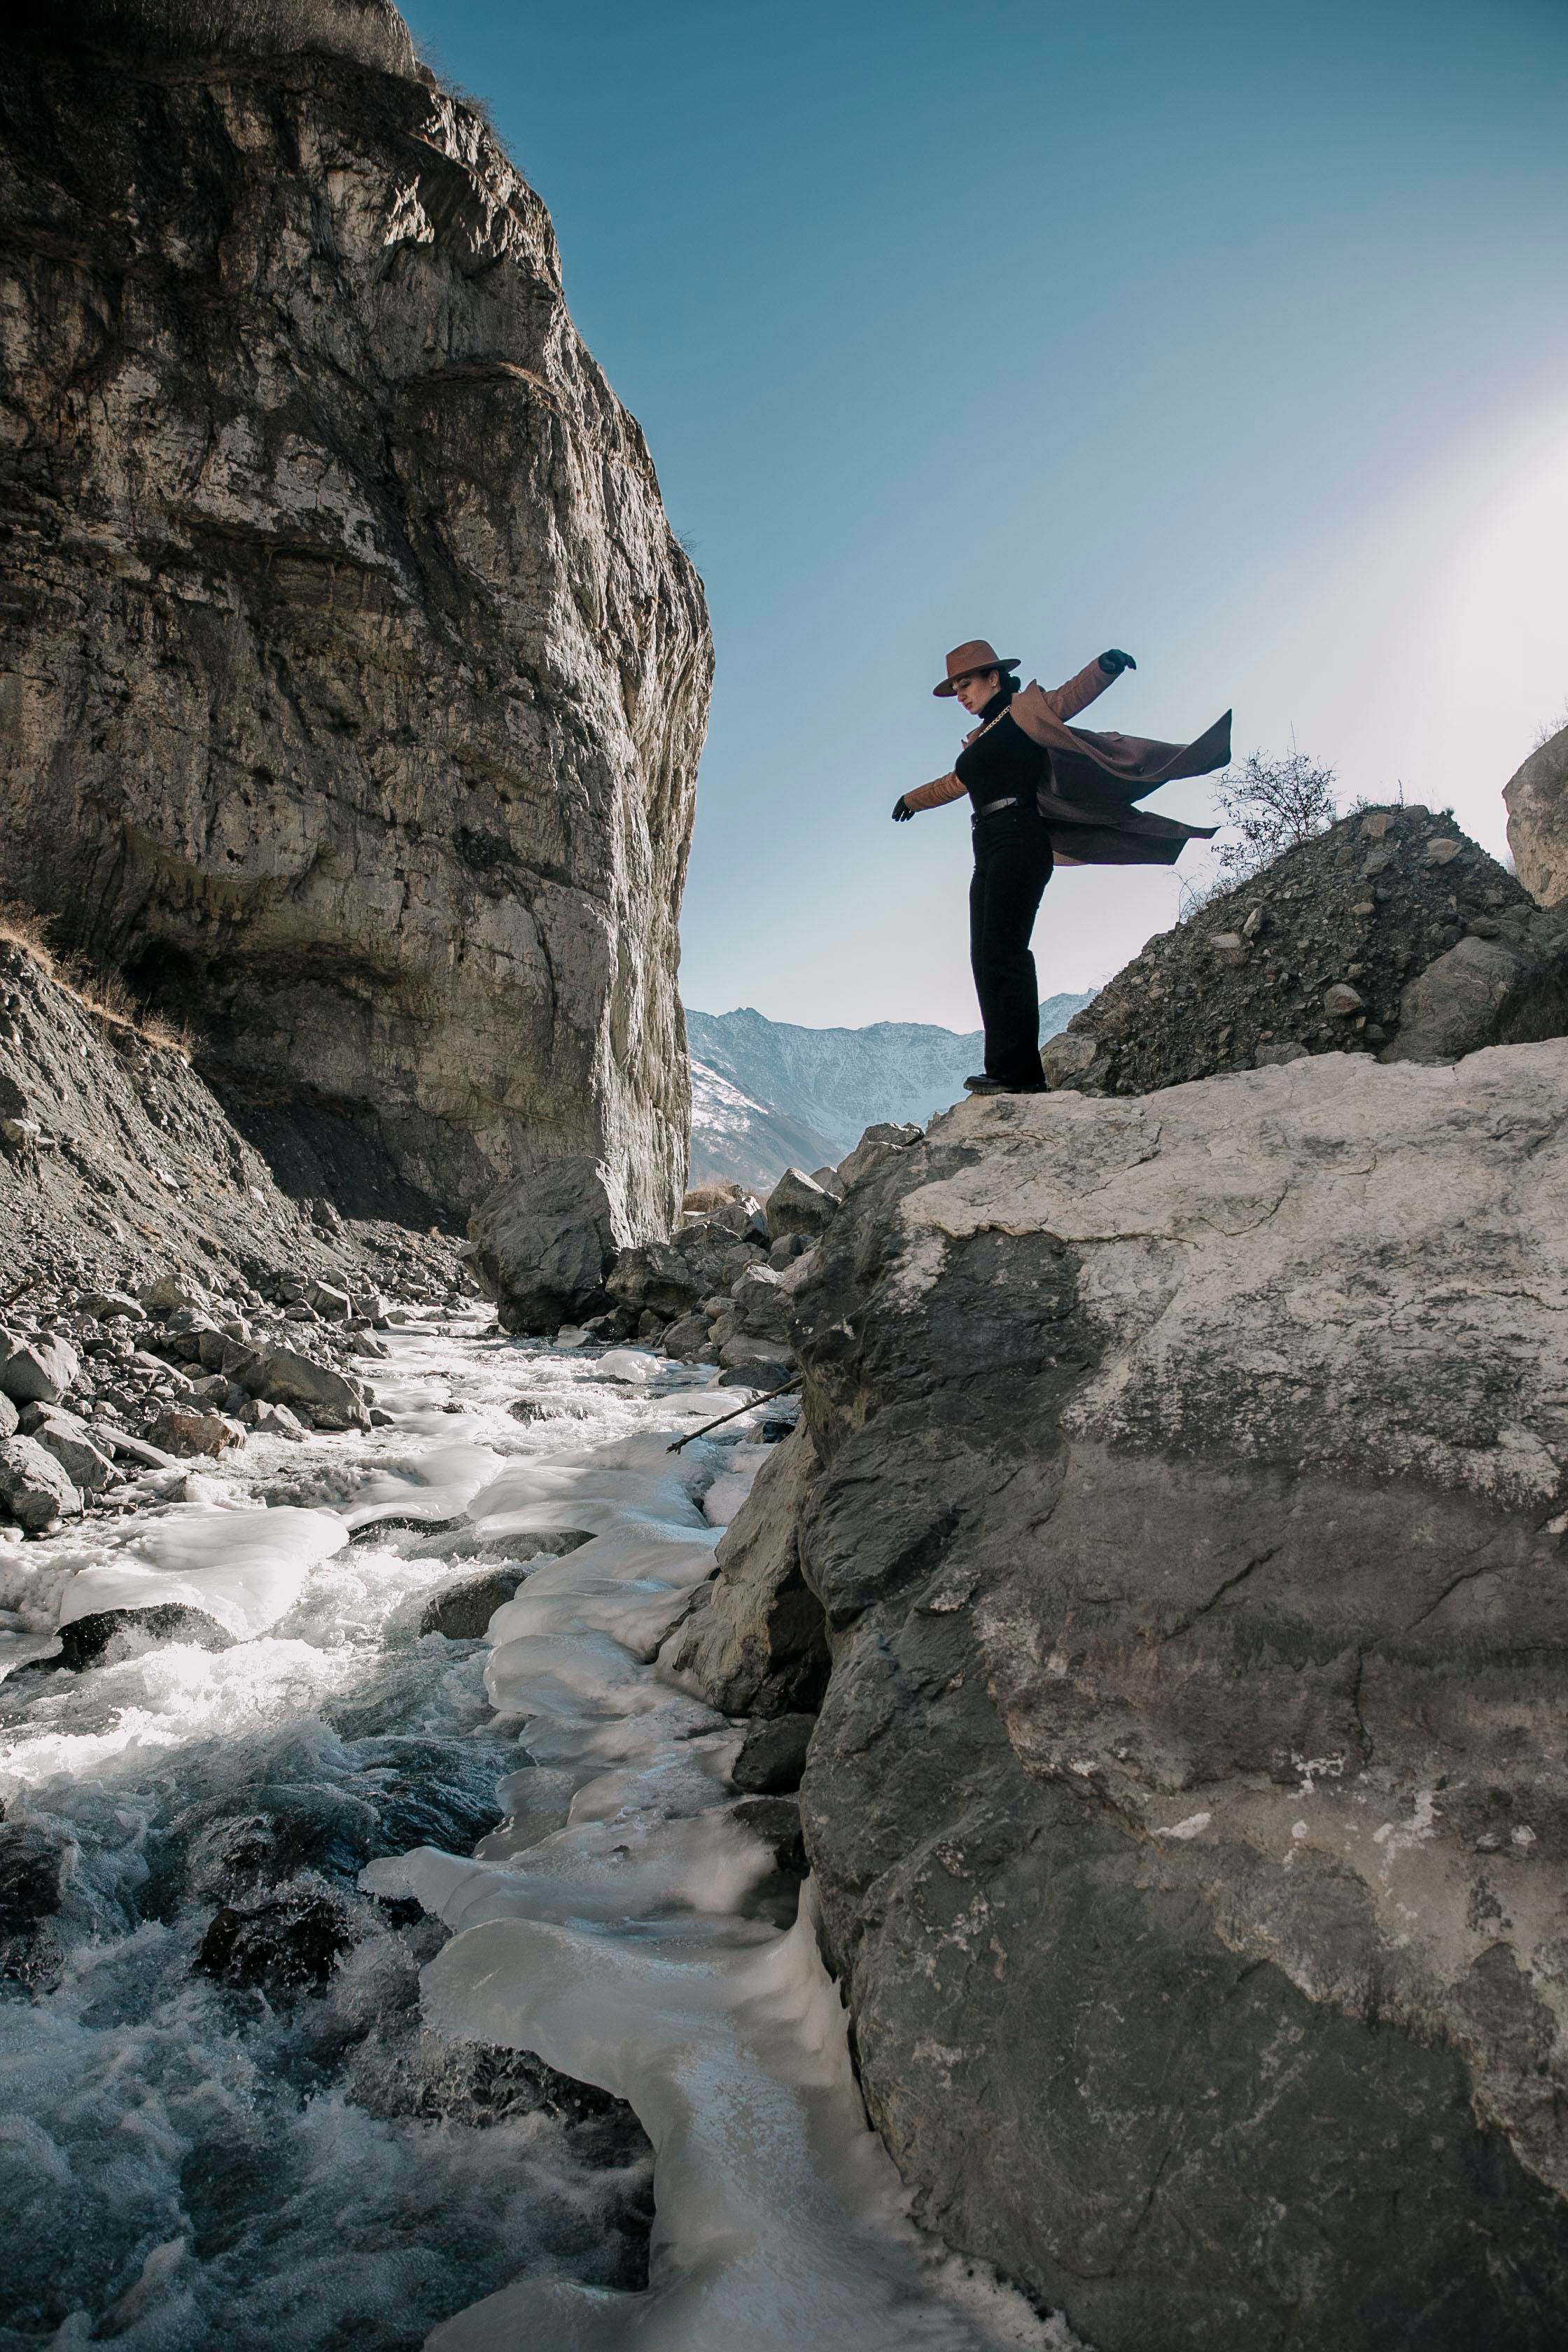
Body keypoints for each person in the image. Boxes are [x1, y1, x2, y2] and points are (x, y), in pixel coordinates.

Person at [892, 638, 1230, 1093]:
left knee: (1006, 950)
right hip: (987, 844)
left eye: (966, 683)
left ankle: (1019, 1075)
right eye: (955, 689)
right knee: (986, 955)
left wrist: (1103, 668)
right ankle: (1005, 1069)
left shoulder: (1027, 713)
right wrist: (911, 799)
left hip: (1020, 837)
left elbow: (1070, 697)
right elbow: (954, 783)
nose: (961, 695)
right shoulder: (978, 740)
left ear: (994, 676)